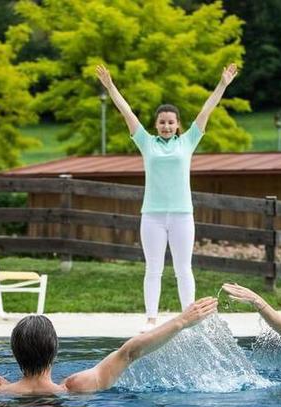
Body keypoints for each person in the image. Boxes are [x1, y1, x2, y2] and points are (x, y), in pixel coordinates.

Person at [96, 63, 238, 332]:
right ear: (156, 124)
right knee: (154, 269)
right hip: (152, 215)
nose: (166, 126)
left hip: (182, 215)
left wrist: (223, 84)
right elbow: (126, 112)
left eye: (171, 122)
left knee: (184, 269)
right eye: (162, 122)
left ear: (178, 125)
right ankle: (151, 319)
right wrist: (110, 86)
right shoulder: (146, 142)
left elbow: (206, 110)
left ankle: (191, 318)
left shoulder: (188, 141)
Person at [0, 296, 217, 394]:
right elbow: (130, 351)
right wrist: (181, 321)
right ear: (54, 350)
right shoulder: (77, 387)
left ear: (14, 352)